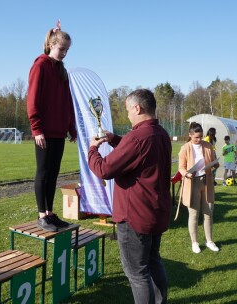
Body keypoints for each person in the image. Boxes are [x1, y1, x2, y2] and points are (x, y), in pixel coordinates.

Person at [88, 89, 171, 304]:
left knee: (137, 273)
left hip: (135, 215)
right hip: (155, 211)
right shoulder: (160, 133)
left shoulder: (137, 136)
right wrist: (114, 139)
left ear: (137, 108)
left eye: (128, 110)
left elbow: (104, 169)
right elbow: (139, 152)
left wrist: (92, 150)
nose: (127, 115)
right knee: (153, 262)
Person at [27, 22, 77, 232]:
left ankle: (49, 213)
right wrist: (37, 129)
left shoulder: (62, 71)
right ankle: (41, 215)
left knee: (54, 173)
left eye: (67, 50)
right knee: (43, 172)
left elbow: (67, 101)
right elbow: (33, 100)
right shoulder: (40, 65)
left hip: (58, 132)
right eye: (61, 49)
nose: (64, 53)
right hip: (44, 132)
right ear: (50, 45)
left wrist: (71, 127)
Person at [178, 122, 220, 254]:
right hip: (192, 183)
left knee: (209, 213)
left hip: (206, 182)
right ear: (190, 135)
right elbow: (181, 167)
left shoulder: (208, 146)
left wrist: (215, 164)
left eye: (201, 136)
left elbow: (213, 161)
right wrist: (186, 173)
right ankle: (194, 242)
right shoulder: (185, 148)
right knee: (194, 214)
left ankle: (209, 241)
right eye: (196, 137)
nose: (199, 139)